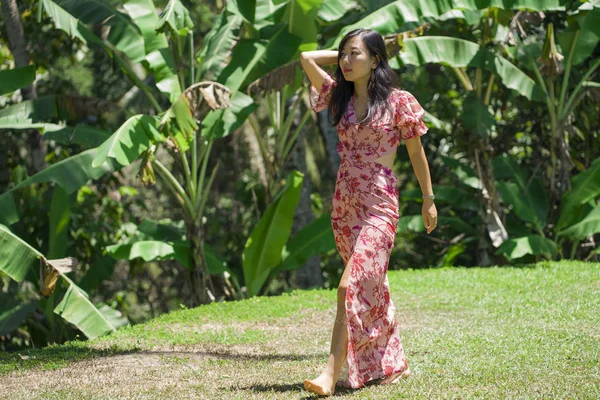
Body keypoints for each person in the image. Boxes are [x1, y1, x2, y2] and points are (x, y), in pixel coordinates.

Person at [299, 28, 438, 396]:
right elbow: (307, 59)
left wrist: (428, 197)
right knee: (372, 285)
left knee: (350, 284)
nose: (345, 61)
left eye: (355, 55)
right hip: (345, 204)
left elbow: (415, 153)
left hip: (380, 204)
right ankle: (391, 363)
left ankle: (330, 372)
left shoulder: (398, 101)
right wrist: (345, 53)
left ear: (376, 59)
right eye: (343, 54)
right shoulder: (337, 98)